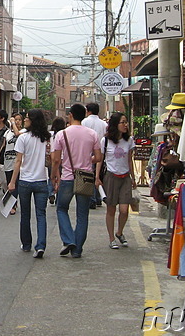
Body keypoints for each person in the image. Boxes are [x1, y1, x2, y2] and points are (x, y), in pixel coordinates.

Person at [52, 103, 102, 259]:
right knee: (82, 214)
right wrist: (88, 160)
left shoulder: (62, 134)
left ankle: (68, 240)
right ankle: (77, 249)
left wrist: (55, 176)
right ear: (84, 115)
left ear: (71, 115)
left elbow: (55, 159)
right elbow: (99, 157)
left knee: (61, 209)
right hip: (86, 176)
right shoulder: (92, 134)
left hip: (67, 176)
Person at [8, 109, 50, 258]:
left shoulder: (23, 138)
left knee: (25, 214)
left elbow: (18, 161)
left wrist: (12, 182)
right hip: (41, 181)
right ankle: (41, 246)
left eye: (27, 118)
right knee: (41, 214)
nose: (25, 120)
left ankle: (26, 244)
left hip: (25, 181)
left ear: (32, 120)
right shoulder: (46, 138)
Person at [96, 112, 136, 249]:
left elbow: (129, 160)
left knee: (124, 209)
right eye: (122, 122)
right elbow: (100, 160)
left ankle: (120, 232)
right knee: (111, 209)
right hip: (111, 177)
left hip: (125, 177)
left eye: (126, 122)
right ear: (115, 125)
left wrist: (133, 178)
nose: (125, 125)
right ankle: (111, 238)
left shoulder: (129, 140)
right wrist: (97, 178)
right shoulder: (105, 141)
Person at [82, 103, 108, 209]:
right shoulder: (104, 124)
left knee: (89, 175)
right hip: (101, 151)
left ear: (88, 111)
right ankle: (98, 198)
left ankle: (92, 198)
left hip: (88, 151)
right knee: (99, 174)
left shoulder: (84, 122)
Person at [48, 117, 67, 205]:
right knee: (61, 179)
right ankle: (58, 197)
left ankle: (51, 192)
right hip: (63, 159)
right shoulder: (65, 134)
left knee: (51, 177)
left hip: (53, 158)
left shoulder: (51, 134)